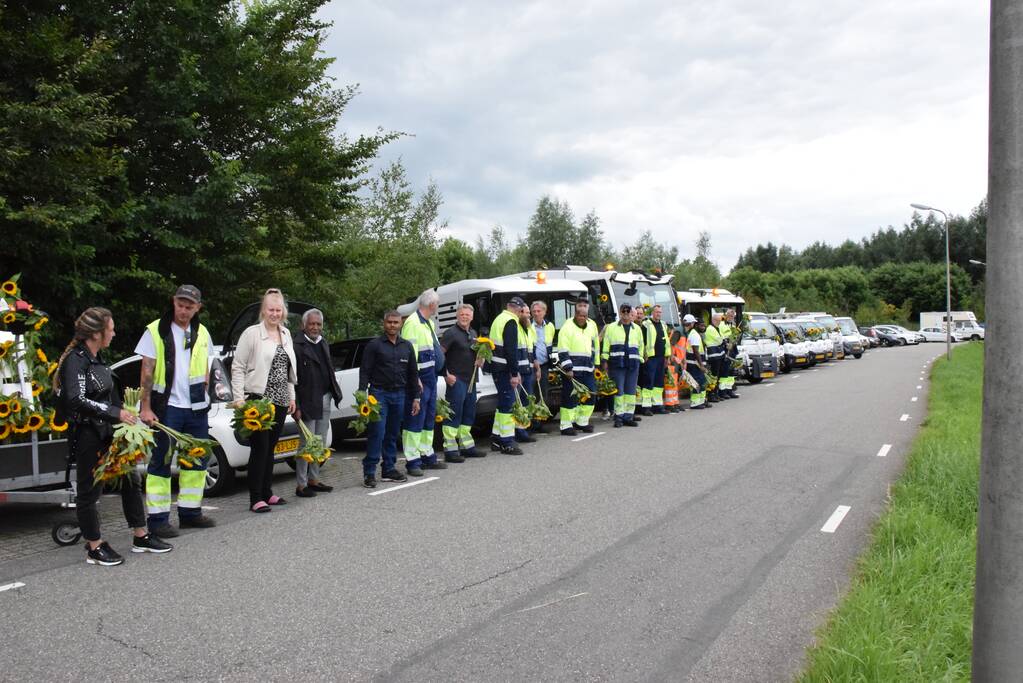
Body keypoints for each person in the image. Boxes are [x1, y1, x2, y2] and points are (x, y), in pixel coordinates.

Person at [54, 307, 172, 566]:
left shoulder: (97, 358)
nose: (114, 333)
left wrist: (129, 416)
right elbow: (76, 399)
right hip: (88, 434)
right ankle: (94, 546)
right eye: (111, 329)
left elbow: (107, 395)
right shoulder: (76, 360)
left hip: (111, 433)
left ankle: (141, 535)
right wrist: (114, 413)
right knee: (89, 490)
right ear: (97, 333)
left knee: (131, 480)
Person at [137, 284, 216, 537]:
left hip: (195, 407)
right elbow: (146, 371)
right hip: (166, 407)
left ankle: (190, 512)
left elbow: (205, 365)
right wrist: (145, 407)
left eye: (189, 307)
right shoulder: (155, 330)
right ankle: (158, 520)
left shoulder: (202, 332)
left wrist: (205, 391)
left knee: (197, 459)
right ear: (173, 302)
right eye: (180, 305)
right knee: (161, 461)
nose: (183, 310)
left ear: (198, 308)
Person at [230, 288, 297, 513]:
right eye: (271, 310)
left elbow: (287, 369)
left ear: (283, 312)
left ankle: (267, 492)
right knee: (260, 448)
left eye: (278, 310)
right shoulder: (251, 334)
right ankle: (255, 497)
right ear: (263, 310)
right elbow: (238, 367)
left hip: (280, 400)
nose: (274, 314)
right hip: (258, 400)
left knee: (271, 449)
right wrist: (239, 399)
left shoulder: (286, 333)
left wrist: (291, 396)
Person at [359, 311, 420, 488]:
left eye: (396, 322)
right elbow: (365, 370)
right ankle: (369, 472)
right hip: (378, 395)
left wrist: (416, 397)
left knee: (392, 434)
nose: (392, 325)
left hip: (400, 394)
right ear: (384, 323)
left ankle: (389, 469)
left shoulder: (407, 346)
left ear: (401, 324)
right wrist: (362, 394)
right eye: (389, 322)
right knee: (377, 432)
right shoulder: (374, 345)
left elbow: (413, 373)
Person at [293, 308, 343, 497]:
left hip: (325, 398)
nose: (315, 327)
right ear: (304, 325)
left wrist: (334, 393)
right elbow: (292, 379)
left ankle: (313, 479)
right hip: (307, 401)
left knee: (319, 442)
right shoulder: (296, 346)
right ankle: (301, 485)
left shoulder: (323, 343)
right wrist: (296, 406)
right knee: (306, 443)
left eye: (318, 324)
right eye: (312, 324)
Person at [400, 289, 445, 476]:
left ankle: (427, 454)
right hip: (420, 377)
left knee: (428, 417)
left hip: (431, 376)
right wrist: (415, 378)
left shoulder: (428, 323)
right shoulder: (413, 323)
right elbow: (409, 354)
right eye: (437, 304)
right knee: (415, 418)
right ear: (432, 305)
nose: (437, 307)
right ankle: (412, 461)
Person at [440, 304, 484, 462]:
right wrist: (445, 374)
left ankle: (467, 447)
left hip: (471, 380)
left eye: (467, 315)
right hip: (456, 380)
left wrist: (481, 358)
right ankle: (450, 450)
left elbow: (477, 354)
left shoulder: (473, 333)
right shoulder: (450, 333)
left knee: (468, 414)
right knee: (454, 413)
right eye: (462, 314)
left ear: (472, 317)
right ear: (457, 316)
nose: (464, 317)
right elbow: (440, 355)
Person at [489, 296, 530, 455]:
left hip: (497, 367)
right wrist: (514, 373)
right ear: (519, 309)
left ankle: (496, 438)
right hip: (505, 369)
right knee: (508, 406)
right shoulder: (511, 321)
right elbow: (510, 351)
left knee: (502, 405)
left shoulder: (499, 319)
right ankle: (507, 442)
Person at [555, 299, 599, 435]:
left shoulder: (591, 325)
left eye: (585, 316)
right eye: (580, 315)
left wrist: (595, 364)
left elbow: (595, 346)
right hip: (572, 370)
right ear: (575, 315)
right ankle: (566, 425)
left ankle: (582, 422)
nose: (582, 318)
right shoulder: (567, 326)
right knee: (570, 398)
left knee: (591, 395)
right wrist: (568, 368)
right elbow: (562, 349)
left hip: (588, 369)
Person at [602, 303, 642, 428]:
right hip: (617, 364)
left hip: (633, 364)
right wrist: (604, 360)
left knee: (630, 392)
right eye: (623, 312)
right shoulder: (611, 327)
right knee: (619, 391)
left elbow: (641, 345)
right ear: (620, 313)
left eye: (627, 312)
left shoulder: (637, 329)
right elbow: (606, 344)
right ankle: (618, 417)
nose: (625, 314)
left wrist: (640, 358)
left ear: (631, 314)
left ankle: (628, 417)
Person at [642, 304, 672, 415]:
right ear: (652, 313)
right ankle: (646, 407)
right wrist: (644, 354)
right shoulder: (646, 324)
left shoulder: (663, 325)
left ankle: (657, 405)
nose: (658, 314)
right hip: (650, 358)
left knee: (659, 383)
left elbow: (666, 341)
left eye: (660, 312)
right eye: (656, 312)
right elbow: (642, 341)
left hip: (661, 357)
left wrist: (667, 357)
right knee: (649, 381)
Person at [514, 303, 537, 444]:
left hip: (528, 370)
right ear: (519, 313)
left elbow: (531, 348)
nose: (528, 315)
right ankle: (518, 432)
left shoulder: (529, 327)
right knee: (517, 403)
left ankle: (523, 429)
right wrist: (515, 372)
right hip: (519, 371)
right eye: (525, 312)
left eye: (529, 313)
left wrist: (536, 364)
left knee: (526, 401)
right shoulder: (515, 327)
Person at [530, 301, 555, 430]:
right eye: (534, 311)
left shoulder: (550, 326)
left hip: (544, 365)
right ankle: (530, 424)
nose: (536, 313)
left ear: (544, 312)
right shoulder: (528, 326)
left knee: (542, 394)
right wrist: (534, 362)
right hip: (531, 365)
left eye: (539, 311)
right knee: (531, 394)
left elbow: (549, 345)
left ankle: (539, 422)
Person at [684, 314, 710, 409]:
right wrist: (701, 365)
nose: (703, 327)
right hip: (694, 363)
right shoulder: (694, 334)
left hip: (695, 363)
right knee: (697, 382)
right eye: (701, 325)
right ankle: (695, 403)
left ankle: (701, 401)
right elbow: (696, 351)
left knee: (702, 382)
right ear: (695, 325)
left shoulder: (695, 334)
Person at [703, 312, 727, 403]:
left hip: (718, 354)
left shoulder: (716, 328)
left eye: (720, 321)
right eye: (718, 320)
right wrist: (723, 341)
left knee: (717, 375)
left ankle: (715, 393)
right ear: (713, 320)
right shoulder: (710, 329)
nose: (719, 322)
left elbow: (722, 337)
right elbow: (719, 340)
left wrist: (724, 340)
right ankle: (711, 394)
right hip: (713, 355)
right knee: (713, 376)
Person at [634, 305, 653, 416]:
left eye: (641, 314)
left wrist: (646, 355)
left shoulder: (644, 329)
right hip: (633, 358)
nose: (639, 316)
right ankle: (636, 407)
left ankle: (644, 407)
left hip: (643, 359)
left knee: (643, 381)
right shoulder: (632, 327)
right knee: (635, 383)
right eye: (638, 313)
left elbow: (645, 344)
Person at [719, 309, 741, 399]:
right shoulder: (721, 325)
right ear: (726, 315)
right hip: (726, 349)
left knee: (731, 372)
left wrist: (735, 339)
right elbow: (720, 336)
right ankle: (722, 392)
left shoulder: (733, 325)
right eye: (730, 315)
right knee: (725, 372)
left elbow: (735, 337)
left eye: (733, 316)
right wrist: (727, 343)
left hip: (733, 350)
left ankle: (730, 390)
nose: (731, 317)